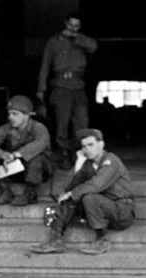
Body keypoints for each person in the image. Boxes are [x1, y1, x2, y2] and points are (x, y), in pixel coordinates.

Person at [30, 128, 135, 255]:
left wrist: (71, 193)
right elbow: (67, 187)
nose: (87, 149)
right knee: (71, 199)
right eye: (84, 146)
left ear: (101, 144)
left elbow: (97, 184)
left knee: (88, 197)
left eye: (91, 145)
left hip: (120, 212)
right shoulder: (88, 164)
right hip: (100, 210)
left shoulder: (111, 160)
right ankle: (56, 239)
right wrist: (79, 164)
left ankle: (102, 240)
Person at [36, 12, 98, 169]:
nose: (73, 28)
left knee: (82, 122)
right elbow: (45, 65)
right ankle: (64, 153)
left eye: (76, 26)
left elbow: (93, 47)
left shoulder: (81, 39)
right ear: (65, 23)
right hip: (61, 85)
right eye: (71, 25)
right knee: (62, 122)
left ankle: (77, 152)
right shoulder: (54, 41)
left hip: (79, 85)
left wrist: (76, 38)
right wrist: (41, 90)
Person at [0, 95, 54, 206]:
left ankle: (30, 193)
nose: (10, 117)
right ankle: (6, 191)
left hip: (39, 170)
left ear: (27, 115)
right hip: (17, 167)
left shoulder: (38, 127)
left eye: (15, 114)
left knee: (36, 158)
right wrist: (1, 153)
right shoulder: (7, 127)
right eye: (9, 113)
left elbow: (41, 143)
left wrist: (14, 155)